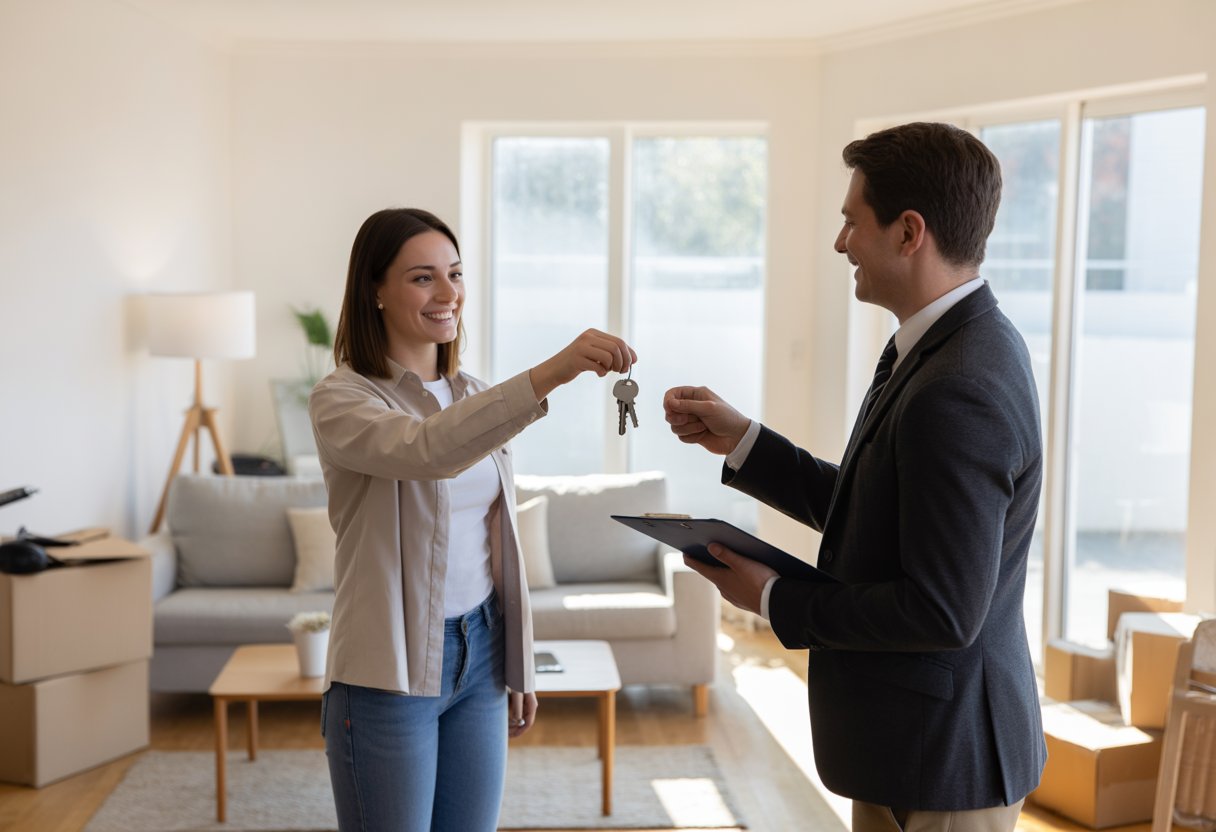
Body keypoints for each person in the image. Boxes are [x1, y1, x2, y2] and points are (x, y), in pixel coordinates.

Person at [663, 122, 1045, 832]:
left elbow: (941, 613)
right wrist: (746, 441)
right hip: (916, 748)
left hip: (943, 764)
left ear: (909, 232)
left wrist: (774, 598)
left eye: (850, 221)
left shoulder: (957, 385)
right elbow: (879, 508)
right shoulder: (943, 344)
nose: (841, 242)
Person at [310, 207, 636, 832]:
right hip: (389, 671)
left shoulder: (473, 395)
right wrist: (555, 370)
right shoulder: (343, 398)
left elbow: (496, 542)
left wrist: (519, 660)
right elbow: (425, 450)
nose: (448, 293)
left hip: (480, 653)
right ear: (374, 291)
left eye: (454, 274)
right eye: (422, 277)